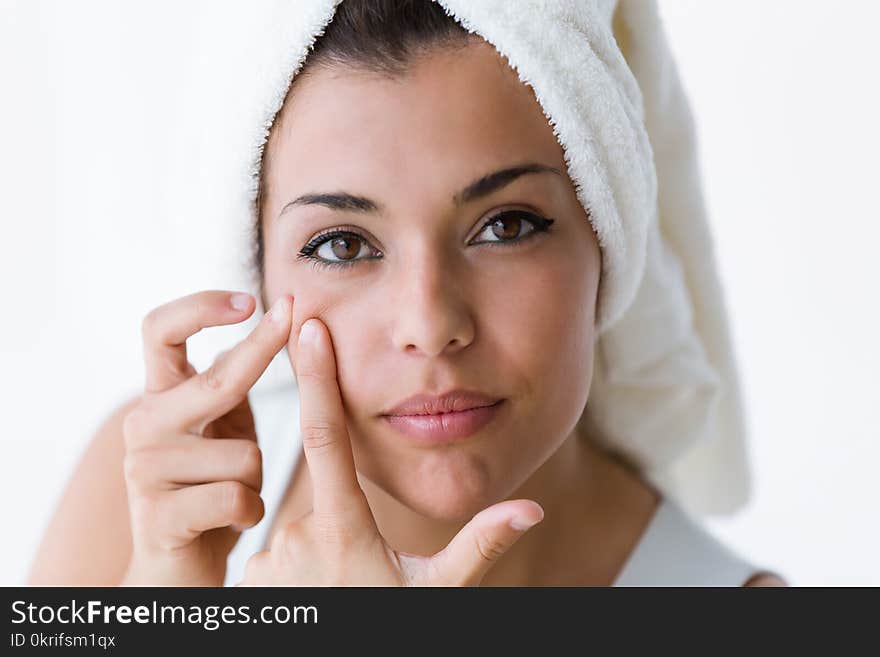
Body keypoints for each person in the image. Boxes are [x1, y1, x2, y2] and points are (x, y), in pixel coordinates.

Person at [28, 0, 787, 586]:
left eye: (508, 225)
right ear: (261, 279)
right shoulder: (150, 507)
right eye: (342, 245)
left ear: (610, 237)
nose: (430, 323)